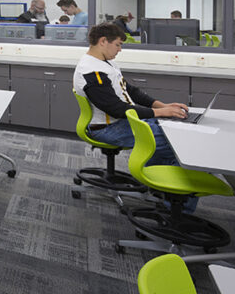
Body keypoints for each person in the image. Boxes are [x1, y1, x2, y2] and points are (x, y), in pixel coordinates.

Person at [72, 22, 197, 209]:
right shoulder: (91, 71)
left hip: (123, 121)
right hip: (108, 128)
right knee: (174, 142)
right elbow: (116, 108)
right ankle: (176, 205)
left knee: (171, 131)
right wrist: (159, 113)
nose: (120, 49)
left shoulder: (106, 63)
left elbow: (130, 91)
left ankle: (160, 187)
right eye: (118, 44)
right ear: (103, 41)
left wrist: (162, 106)